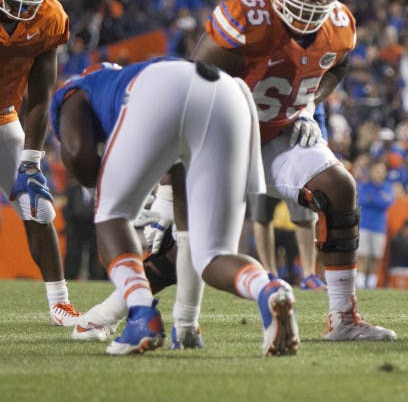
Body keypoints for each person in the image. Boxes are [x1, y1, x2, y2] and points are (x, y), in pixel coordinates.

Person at [192, 0, 396, 342]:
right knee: (176, 246)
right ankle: (129, 308)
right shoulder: (248, 17)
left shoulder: (338, 27)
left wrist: (307, 104)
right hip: (221, 138)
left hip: (280, 133)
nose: (311, 5)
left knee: (339, 187)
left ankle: (343, 318)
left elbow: (337, 66)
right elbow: (195, 82)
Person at [50, 58, 300, 356]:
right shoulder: (141, 78)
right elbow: (183, 209)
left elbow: (78, 153)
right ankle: (267, 290)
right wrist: (185, 323)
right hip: (229, 94)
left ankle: (142, 315)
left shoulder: (78, 90)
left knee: (111, 213)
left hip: (160, 92)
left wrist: (104, 191)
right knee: (213, 254)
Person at [0, 0, 81, 327]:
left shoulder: (48, 17)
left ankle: (59, 303)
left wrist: (31, 161)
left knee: (38, 205)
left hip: (3, 116)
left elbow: (40, 93)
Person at [357, 160, 394, 289]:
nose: (379, 174)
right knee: (362, 255)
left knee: (376, 257)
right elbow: (362, 200)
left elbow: (387, 202)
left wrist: (372, 199)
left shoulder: (388, 187)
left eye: (381, 171)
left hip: (379, 227)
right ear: (371, 172)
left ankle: (372, 283)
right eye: (377, 171)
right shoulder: (363, 186)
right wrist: (378, 199)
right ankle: (360, 283)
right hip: (364, 225)